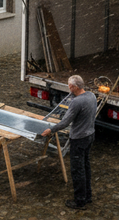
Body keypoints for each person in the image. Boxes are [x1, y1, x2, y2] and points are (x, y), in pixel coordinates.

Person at [41, 75, 97, 210]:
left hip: (79, 139)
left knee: (77, 170)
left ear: (74, 87)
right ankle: (87, 196)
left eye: (69, 86)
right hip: (90, 135)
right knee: (86, 166)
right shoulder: (91, 96)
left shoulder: (76, 102)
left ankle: (80, 201)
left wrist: (51, 130)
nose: (68, 88)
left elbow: (65, 122)